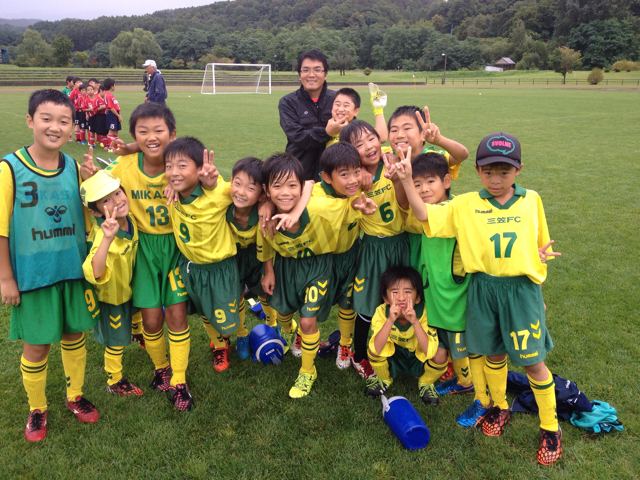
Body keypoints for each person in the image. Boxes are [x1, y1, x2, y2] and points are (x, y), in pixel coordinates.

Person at [398, 132, 563, 466]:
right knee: (493, 353)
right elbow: (425, 216)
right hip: (483, 288)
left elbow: (538, 247)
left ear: (518, 170)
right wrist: (404, 180)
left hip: (520, 291)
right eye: (488, 171)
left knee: (533, 361)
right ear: (477, 170)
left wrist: (537, 291)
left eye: (504, 171)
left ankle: (551, 427)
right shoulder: (466, 203)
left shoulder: (532, 200)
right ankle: (500, 407)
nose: (496, 179)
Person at [0, 89, 100, 441]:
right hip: (33, 274)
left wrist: (90, 184)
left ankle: (75, 396)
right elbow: (1, 229)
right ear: (30, 121)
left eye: (63, 121)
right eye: (46, 119)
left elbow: (90, 216)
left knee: (74, 335)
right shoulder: (9, 168)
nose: (54, 127)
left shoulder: (73, 166)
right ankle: (37, 408)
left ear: (72, 127)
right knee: (37, 344)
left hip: (71, 269)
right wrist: (5, 277)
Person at [89, 103, 191, 411]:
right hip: (142, 250)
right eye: (142, 132)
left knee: (176, 314)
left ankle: (180, 379)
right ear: (133, 135)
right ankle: (161, 367)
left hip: (174, 248)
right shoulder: (125, 165)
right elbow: (101, 190)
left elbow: (204, 181)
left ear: (172, 134)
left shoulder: (180, 163)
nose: (151, 137)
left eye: (159, 130)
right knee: (150, 318)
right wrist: (91, 175)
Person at [258, 152, 375, 398]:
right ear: (266, 191)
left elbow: (345, 202)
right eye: (277, 187)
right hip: (286, 266)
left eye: (292, 185)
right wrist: (268, 270)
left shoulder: (322, 207)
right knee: (283, 311)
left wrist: (359, 206)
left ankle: (308, 371)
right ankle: (288, 330)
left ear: (301, 188)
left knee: (308, 320)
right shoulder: (265, 217)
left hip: (318, 266)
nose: (286, 192)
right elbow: (265, 242)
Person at [396, 152, 475, 403]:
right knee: (446, 335)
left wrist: (406, 180)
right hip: (438, 285)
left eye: (430, 182)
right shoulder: (434, 207)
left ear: (447, 182)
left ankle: (467, 382)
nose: (423, 189)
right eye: (417, 184)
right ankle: (461, 377)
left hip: (455, 288)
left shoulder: (453, 208)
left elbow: (421, 214)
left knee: (458, 337)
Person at [163, 137, 240, 388]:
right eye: (169, 166)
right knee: (206, 311)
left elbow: (245, 191)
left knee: (227, 324)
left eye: (182, 166)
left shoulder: (218, 192)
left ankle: (230, 335)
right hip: (191, 267)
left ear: (199, 169)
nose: (174, 173)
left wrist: (214, 182)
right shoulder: (171, 192)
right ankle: (219, 345)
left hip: (220, 268)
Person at [81, 170, 143, 397]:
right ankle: (114, 379)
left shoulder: (129, 218)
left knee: (136, 314)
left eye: (117, 192)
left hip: (129, 288)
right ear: (95, 211)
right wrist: (107, 239)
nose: (117, 201)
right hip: (112, 297)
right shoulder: (102, 233)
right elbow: (95, 271)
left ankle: (137, 333)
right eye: (106, 200)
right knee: (116, 340)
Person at [312, 142, 374, 369]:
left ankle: (345, 344)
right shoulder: (316, 194)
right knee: (312, 300)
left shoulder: (359, 188)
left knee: (348, 302)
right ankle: (302, 334)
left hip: (349, 255)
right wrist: (354, 203)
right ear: (327, 177)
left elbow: (381, 153)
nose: (352, 180)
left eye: (356, 171)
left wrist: (366, 172)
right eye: (344, 174)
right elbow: (324, 207)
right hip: (322, 258)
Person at [364, 266, 446, 405]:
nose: (401, 297)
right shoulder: (381, 312)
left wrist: (414, 321)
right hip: (394, 355)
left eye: (408, 292)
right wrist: (390, 320)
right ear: (386, 298)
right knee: (372, 349)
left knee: (440, 353)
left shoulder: (426, 312)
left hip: (418, 355)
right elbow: (377, 348)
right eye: (394, 292)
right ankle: (384, 379)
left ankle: (426, 383)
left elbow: (429, 351)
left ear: (418, 298)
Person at [225, 157, 277, 362]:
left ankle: (273, 327)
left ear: (262, 193)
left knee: (265, 291)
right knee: (236, 296)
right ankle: (241, 335)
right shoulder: (224, 205)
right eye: (237, 183)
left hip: (258, 255)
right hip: (232, 257)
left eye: (250, 188)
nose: (241, 192)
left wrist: (268, 203)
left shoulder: (263, 213)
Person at [278, 49, 335, 181]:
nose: (311, 75)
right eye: (306, 70)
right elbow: (298, 137)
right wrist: (326, 132)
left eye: (317, 70)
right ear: (299, 75)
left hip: (333, 174)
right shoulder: (288, 102)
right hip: (299, 174)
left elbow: (353, 133)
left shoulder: (338, 99)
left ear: (325, 74)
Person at [103, 78, 123, 151]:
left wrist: (119, 115)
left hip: (115, 113)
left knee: (115, 131)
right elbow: (111, 107)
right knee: (111, 131)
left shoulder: (111, 95)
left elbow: (116, 106)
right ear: (111, 86)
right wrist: (118, 116)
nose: (115, 86)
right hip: (112, 114)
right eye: (114, 85)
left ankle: (116, 146)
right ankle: (110, 147)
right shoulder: (108, 95)